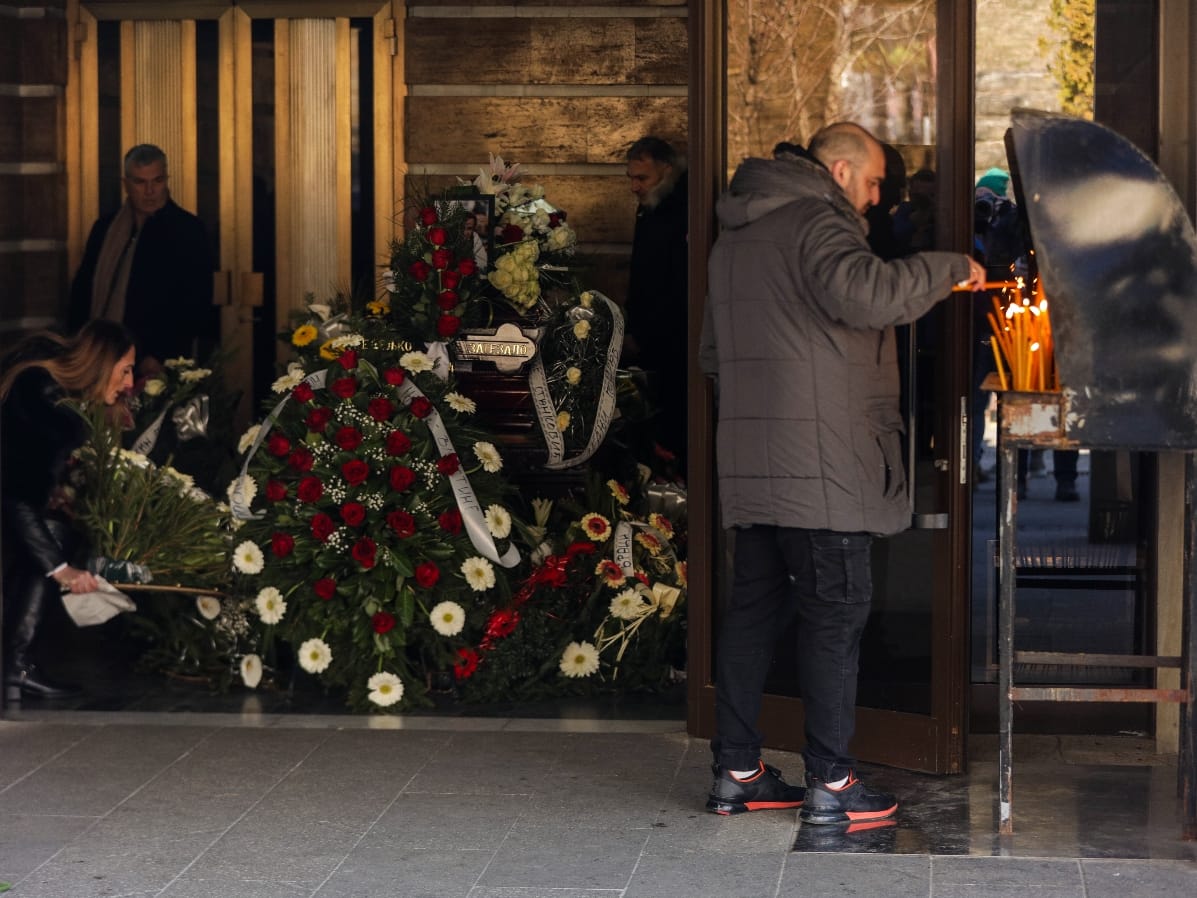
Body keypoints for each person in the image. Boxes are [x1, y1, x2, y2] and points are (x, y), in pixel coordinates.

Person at [700, 122, 985, 822]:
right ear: (838, 171)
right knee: (836, 616)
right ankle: (832, 785)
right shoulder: (815, 220)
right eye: (874, 181)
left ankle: (736, 772)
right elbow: (865, 294)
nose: (877, 197)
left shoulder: (737, 232)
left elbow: (712, 353)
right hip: (821, 465)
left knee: (752, 616)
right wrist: (947, 268)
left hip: (754, 462)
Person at [1, 320, 136, 701]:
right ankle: (16, 665)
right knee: (52, 534)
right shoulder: (45, 406)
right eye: (126, 370)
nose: (129, 383)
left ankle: (15, 665)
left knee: (56, 526)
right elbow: (15, 494)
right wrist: (61, 570)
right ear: (102, 363)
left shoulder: (54, 399)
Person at [70, 144, 215, 376]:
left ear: (166, 180)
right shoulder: (105, 229)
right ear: (126, 184)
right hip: (102, 354)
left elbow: (196, 301)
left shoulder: (187, 230)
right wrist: (78, 345)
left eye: (157, 181)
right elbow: (83, 291)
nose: (150, 191)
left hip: (158, 358)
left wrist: (160, 354)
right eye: (140, 182)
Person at [624, 136, 689, 473]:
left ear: (666, 170)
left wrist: (644, 334)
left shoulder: (682, 209)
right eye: (631, 178)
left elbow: (674, 285)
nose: (635, 186)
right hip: (652, 336)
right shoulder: (652, 205)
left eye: (642, 178)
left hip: (675, 339)